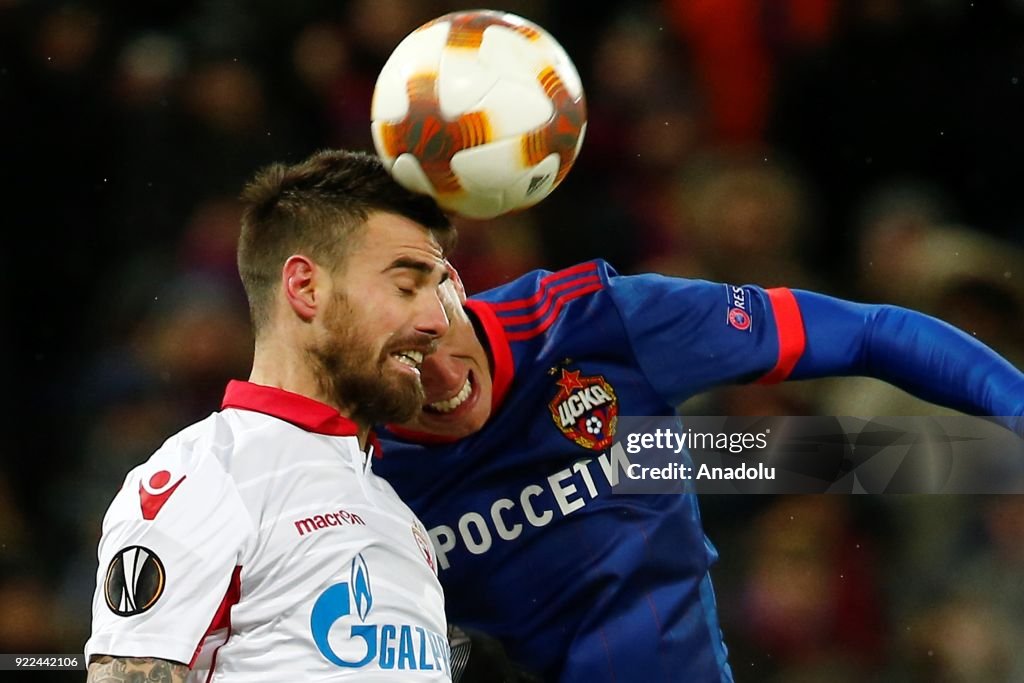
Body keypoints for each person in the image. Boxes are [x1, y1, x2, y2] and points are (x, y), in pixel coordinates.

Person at [374, 259, 1024, 682]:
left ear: (452, 284)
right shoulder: (341, 465)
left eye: (436, 337)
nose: (442, 376)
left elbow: (868, 333)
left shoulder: (608, 330)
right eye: (405, 358)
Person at [85, 149, 459, 681]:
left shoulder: (398, 513)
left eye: (437, 290)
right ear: (305, 287)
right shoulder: (206, 479)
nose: (436, 320)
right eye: (406, 286)